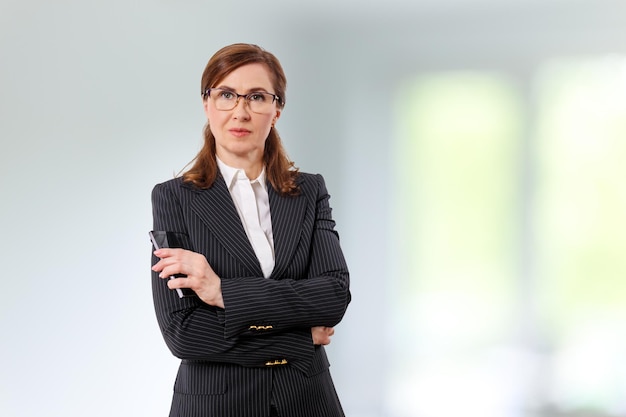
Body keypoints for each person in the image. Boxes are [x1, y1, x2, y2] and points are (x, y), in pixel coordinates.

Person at [150, 43, 351, 417]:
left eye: (256, 97)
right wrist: (300, 339)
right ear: (207, 104)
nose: (240, 111)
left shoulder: (309, 191)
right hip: (216, 406)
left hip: (307, 402)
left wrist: (223, 291)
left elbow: (333, 297)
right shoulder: (173, 198)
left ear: (276, 110)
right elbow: (184, 332)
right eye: (227, 94)